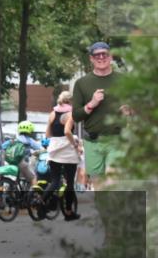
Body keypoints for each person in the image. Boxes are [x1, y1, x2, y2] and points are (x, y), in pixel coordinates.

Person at [71, 42, 129, 183]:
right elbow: (76, 116)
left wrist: (130, 110)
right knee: (99, 186)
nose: (101, 57)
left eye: (105, 54)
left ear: (111, 57)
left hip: (116, 139)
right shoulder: (81, 83)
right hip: (92, 142)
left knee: (112, 180)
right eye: (97, 55)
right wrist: (91, 104)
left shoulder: (124, 80)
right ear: (91, 58)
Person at [43, 90, 81, 220]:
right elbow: (67, 132)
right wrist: (75, 145)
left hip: (54, 150)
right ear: (70, 101)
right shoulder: (71, 114)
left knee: (55, 181)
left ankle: (41, 201)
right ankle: (69, 213)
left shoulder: (52, 113)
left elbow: (48, 134)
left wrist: (56, 140)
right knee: (69, 183)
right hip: (68, 151)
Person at [9, 121, 44, 188]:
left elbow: (4, 146)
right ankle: (35, 193)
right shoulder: (29, 140)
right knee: (33, 177)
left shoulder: (14, 139)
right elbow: (40, 148)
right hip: (22, 163)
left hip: (11, 162)